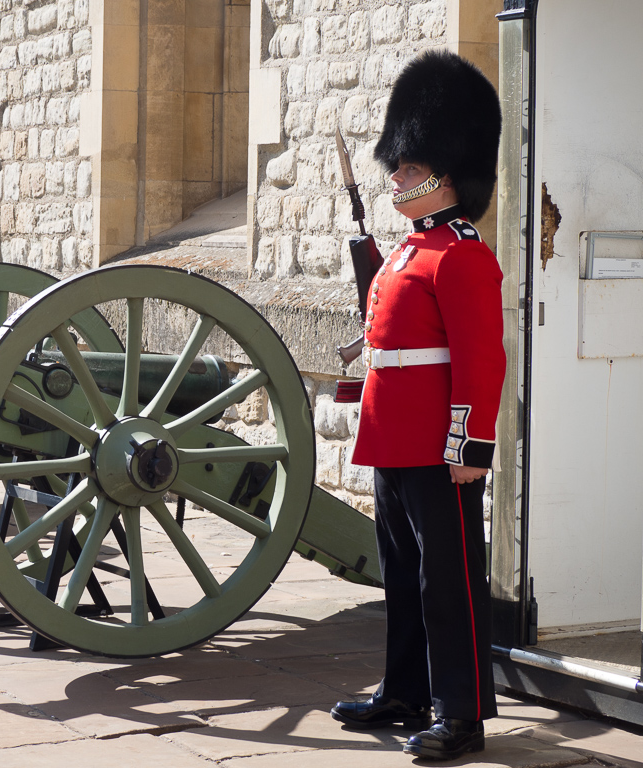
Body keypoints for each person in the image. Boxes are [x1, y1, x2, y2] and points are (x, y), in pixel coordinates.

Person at [329, 49, 505, 761]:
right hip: (393, 440)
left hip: (438, 446)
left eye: (407, 166)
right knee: (402, 577)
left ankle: (460, 714)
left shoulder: (463, 255)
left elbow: (480, 360)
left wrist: (469, 448)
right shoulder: (407, 252)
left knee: (449, 585)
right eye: (396, 165)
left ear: (446, 174)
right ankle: (403, 689)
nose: (395, 175)